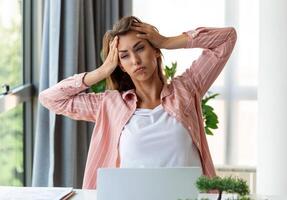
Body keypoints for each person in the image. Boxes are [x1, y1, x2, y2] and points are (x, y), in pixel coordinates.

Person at [39, 16, 237, 189]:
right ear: (121, 66)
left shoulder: (186, 90)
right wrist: (102, 71)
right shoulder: (111, 106)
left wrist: (167, 41)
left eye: (140, 48)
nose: (135, 60)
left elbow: (226, 38)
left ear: (156, 51)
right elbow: (50, 98)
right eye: (124, 56)